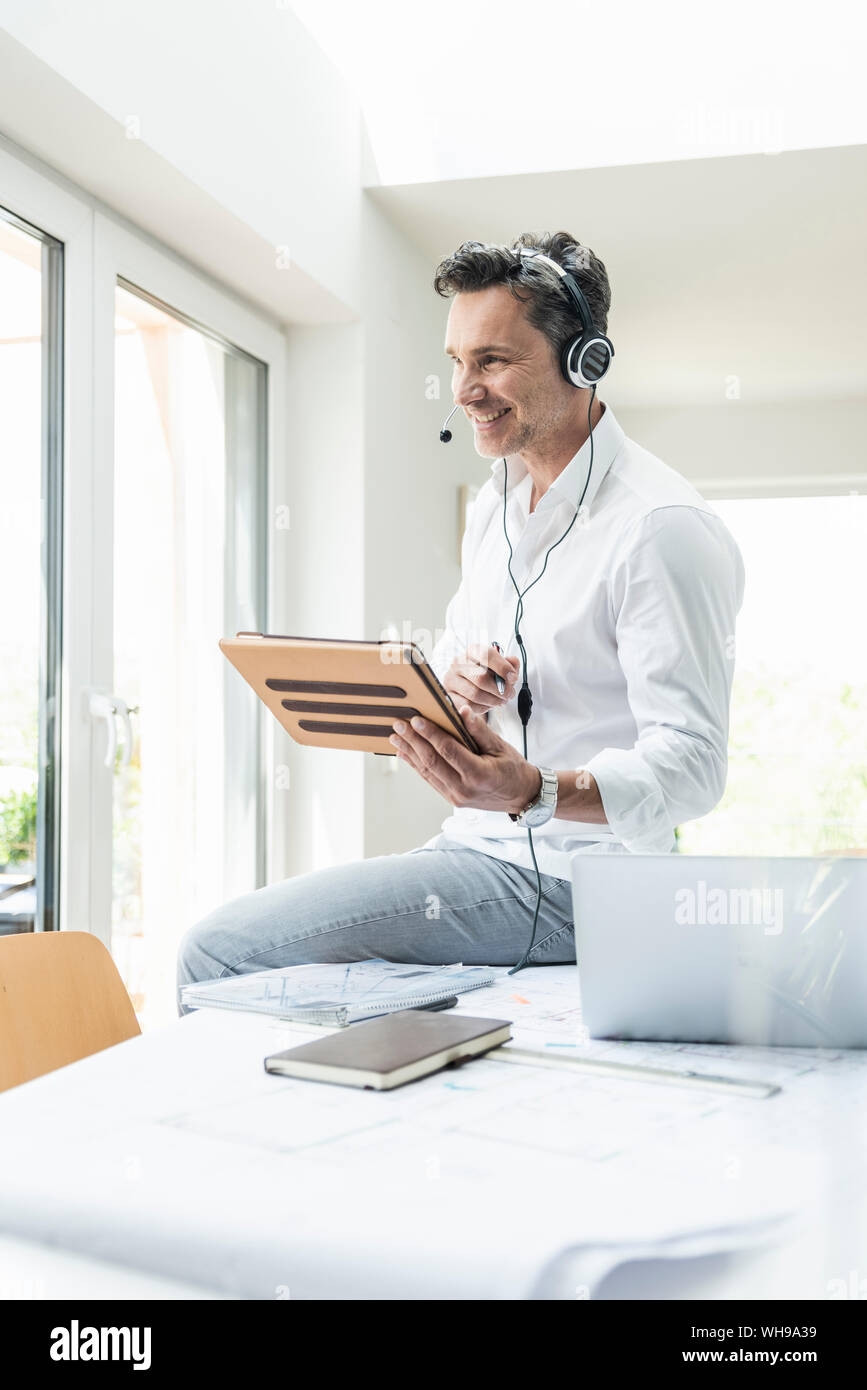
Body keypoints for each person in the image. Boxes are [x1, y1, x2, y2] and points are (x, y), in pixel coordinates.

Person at [177, 230, 744, 1007]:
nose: (462, 389)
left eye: (492, 360)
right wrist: (453, 688)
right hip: (480, 853)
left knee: (216, 951)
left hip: (582, 883)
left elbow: (692, 767)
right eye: (455, 361)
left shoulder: (659, 526)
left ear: (585, 360)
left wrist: (533, 788)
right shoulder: (497, 504)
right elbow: (451, 662)